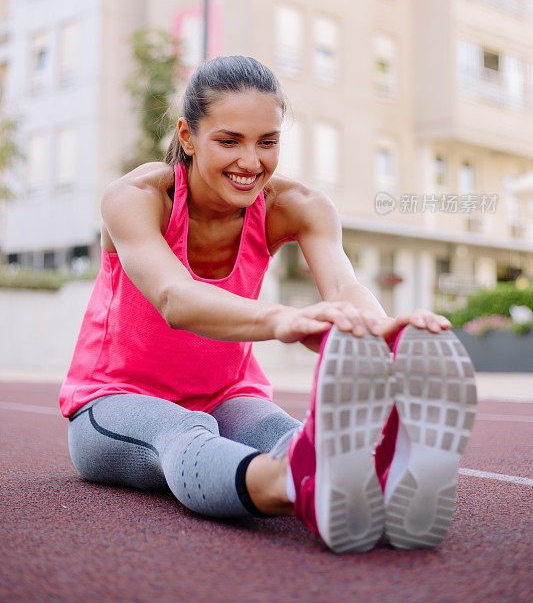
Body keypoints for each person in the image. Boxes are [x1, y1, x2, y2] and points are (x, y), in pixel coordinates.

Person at [59, 55, 477, 553]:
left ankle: (371, 480)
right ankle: (299, 486)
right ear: (188, 137)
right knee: (184, 432)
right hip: (112, 400)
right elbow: (175, 298)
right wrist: (285, 320)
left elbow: (343, 287)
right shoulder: (138, 197)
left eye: (268, 142)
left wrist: (383, 331)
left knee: (284, 431)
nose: (251, 162)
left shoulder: (297, 205)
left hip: (227, 393)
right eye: (229, 141)